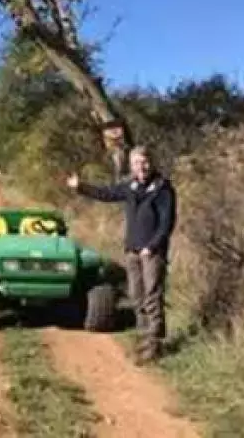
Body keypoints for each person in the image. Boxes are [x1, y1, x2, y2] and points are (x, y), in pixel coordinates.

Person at [66, 145, 176, 364]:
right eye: (137, 163)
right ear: (131, 165)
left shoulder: (163, 189)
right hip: (132, 250)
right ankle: (143, 336)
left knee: (152, 295)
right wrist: (80, 186)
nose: (141, 167)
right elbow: (106, 193)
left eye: (144, 162)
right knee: (136, 295)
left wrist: (152, 246)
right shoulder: (130, 186)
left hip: (152, 253)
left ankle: (154, 342)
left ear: (151, 162)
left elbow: (167, 222)